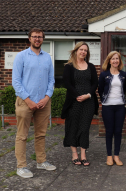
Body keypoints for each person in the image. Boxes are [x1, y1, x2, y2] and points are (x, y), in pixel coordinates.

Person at [12, 28, 56, 178]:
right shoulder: (21, 56)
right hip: (25, 102)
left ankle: (41, 161)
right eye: (34, 37)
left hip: (43, 102)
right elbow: (16, 82)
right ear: (29, 39)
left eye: (40, 37)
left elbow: (51, 80)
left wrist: (46, 97)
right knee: (22, 135)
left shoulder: (47, 58)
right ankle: (21, 166)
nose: (37, 39)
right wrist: (28, 100)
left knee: (41, 134)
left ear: (43, 39)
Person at [61, 42, 99, 167]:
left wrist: (88, 95)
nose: (83, 52)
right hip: (74, 102)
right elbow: (67, 83)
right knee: (73, 127)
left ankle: (83, 155)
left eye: (85, 50)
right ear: (76, 51)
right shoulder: (69, 66)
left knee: (84, 128)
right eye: (81, 49)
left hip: (88, 102)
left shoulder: (91, 66)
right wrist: (78, 96)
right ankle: (74, 154)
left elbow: (95, 83)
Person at [98, 51, 126, 166]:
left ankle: (116, 156)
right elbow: (100, 90)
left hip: (120, 106)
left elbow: (124, 89)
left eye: (117, 59)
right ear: (109, 61)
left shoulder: (123, 74)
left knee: (118, 132)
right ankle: (109, 156)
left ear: (119, 61)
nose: (115, 61)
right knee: (109, 132)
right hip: (107, 107)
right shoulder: (104, 75)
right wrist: (105, 100)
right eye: (113, 59)